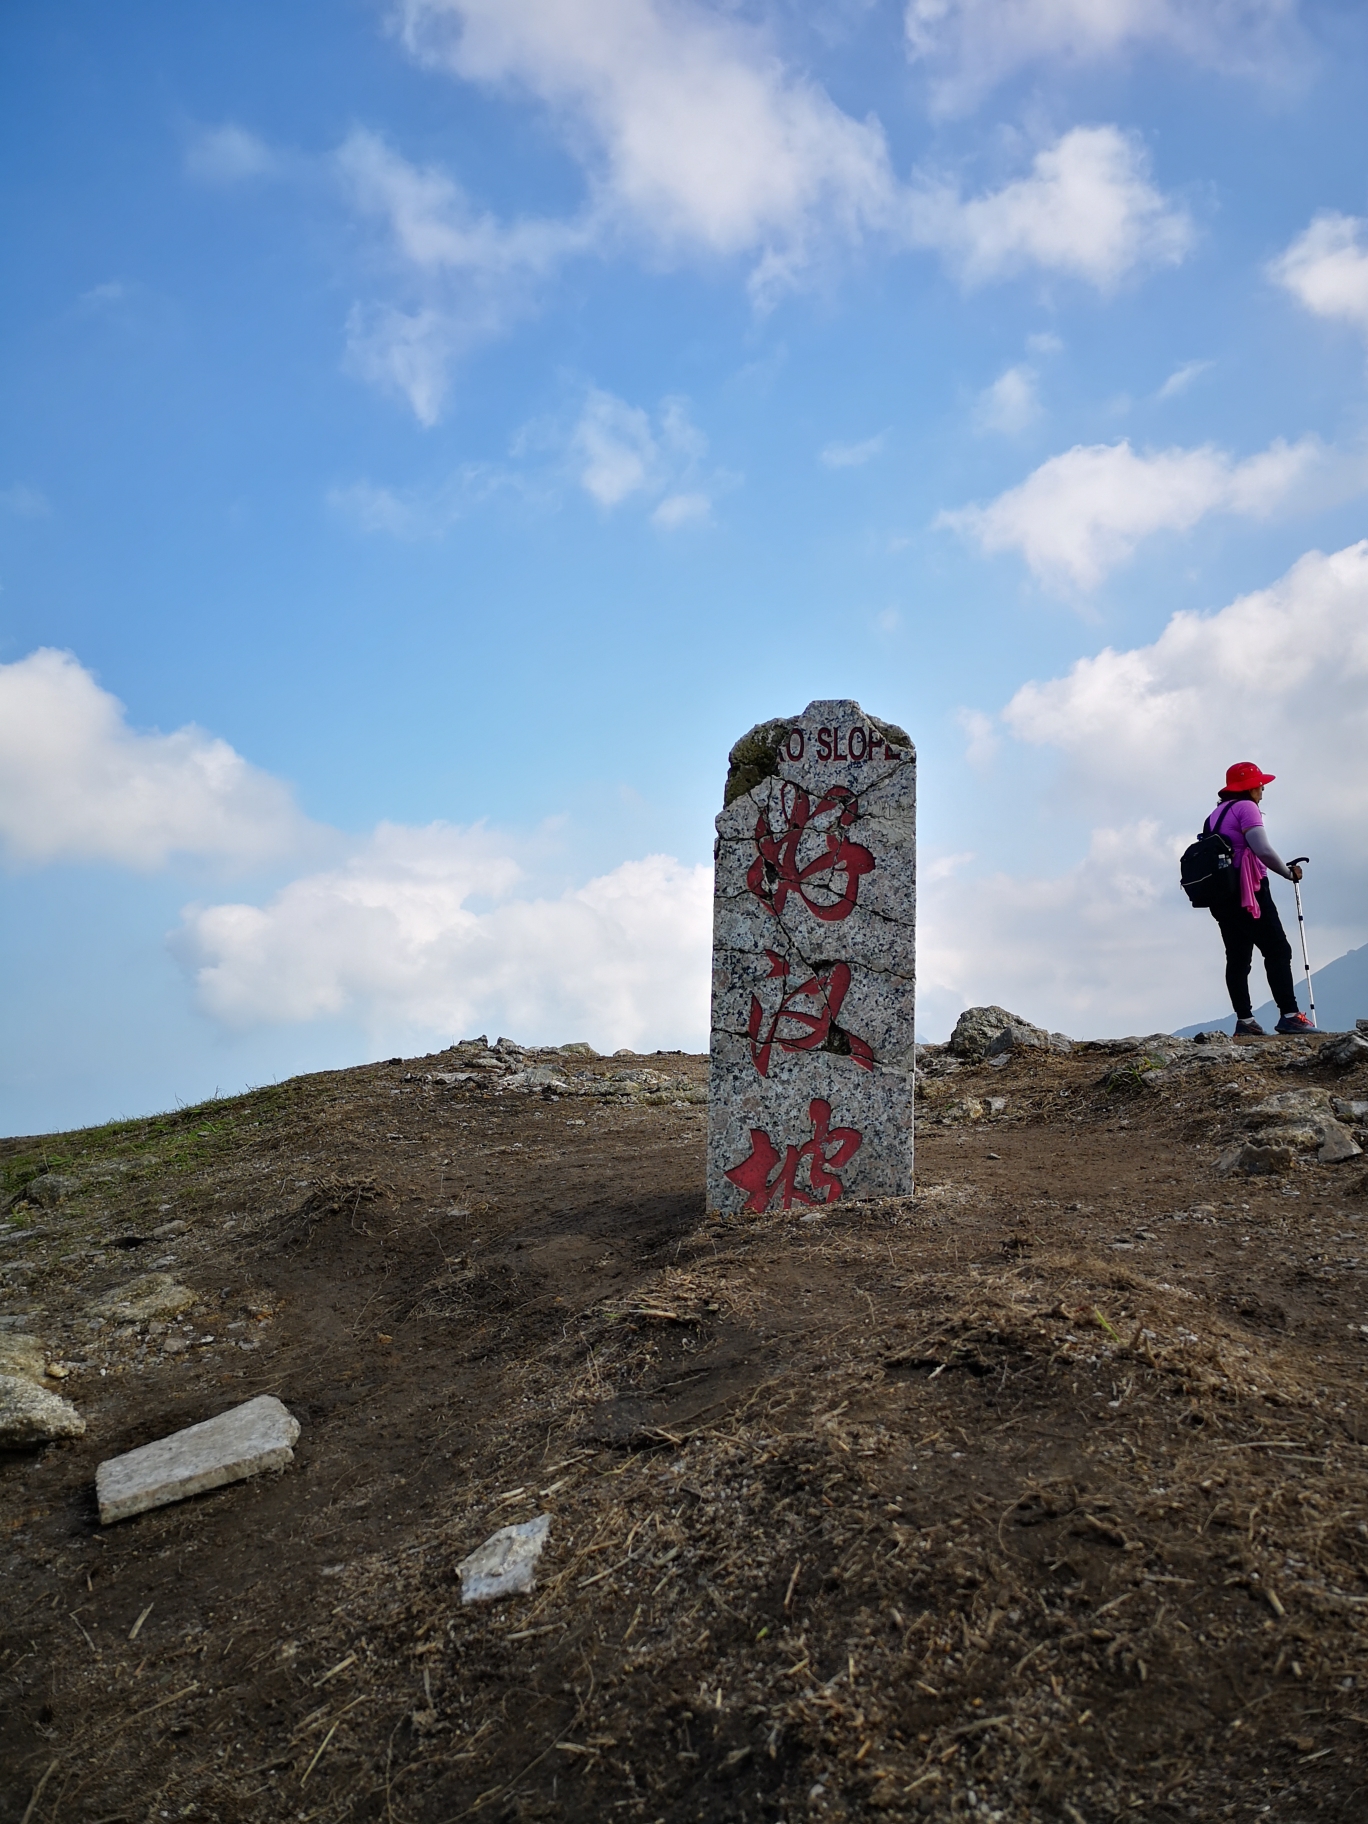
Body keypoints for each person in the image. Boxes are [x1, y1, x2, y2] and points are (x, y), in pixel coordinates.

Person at [1204, 762, 1313, 1036]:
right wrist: (1288, 873)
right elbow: (1261, 848)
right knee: (1277, 949)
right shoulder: (1246, 808)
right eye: (1259, 784)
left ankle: (1245, 1021)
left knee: (1238, 956)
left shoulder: (1214, 815)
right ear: (1249, 787)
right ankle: (1289, 1015)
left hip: (1222, 894)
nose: (1262, 788)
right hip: (1248, 890)